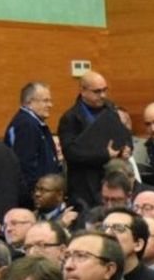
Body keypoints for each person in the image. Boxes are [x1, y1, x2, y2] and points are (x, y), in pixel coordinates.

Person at [58, 72, 135, 209]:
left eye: (105, 90)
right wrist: (105, 155)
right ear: (83, 91)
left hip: (113, 177)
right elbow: (71, 153)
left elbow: (125, 135)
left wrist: (127, 149)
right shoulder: (70, 118)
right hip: (85, 185)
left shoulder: (111, 109)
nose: (103, 95)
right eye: (97, 91)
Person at [3, 81, 61, 207]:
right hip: (31, 199)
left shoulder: (34, 124)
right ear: (29, 103)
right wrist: (34, 196)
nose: (50, 105)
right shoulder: (26, 125)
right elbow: (25, 165)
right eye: (45, 101)